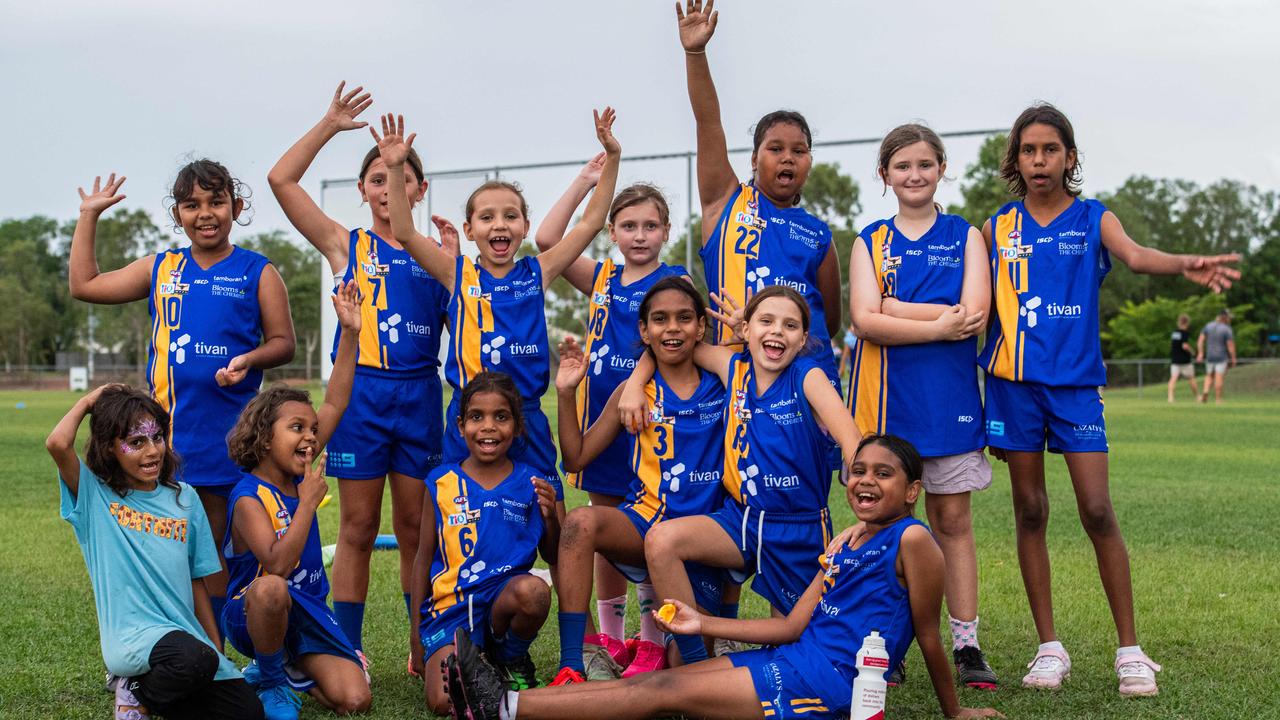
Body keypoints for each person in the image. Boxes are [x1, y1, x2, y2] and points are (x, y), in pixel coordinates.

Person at [443, 435, 1003, 720]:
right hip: (795, 656)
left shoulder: (912, 539)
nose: (866, 482)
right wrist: (701, 620)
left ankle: (504, 708)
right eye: (858, 471)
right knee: (655, 684)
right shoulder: (846, 541)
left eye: (884, 475)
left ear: (911, 491)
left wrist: (955, 713)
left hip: (828, 683)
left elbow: (927, 633)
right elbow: (792, 627)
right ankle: (502, 705)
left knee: (664, 691)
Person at [979, 103, 1239, 696]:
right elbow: (974, 303)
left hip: (1074, 390)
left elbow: (1140, 257)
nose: (1039, 160)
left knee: (1096, 509)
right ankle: (1049, 649)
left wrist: (1185, 264)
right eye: (1028, 150)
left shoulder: (1094, 219)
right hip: (1012, 388)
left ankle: (1131, 651)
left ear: (1070, 156)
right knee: (1031, 511)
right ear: (1015, 160)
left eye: (1050, 149)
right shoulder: (997, 228)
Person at [267, 81, 455, 664]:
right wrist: (328, 123)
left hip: (421, 396)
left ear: (419, 189)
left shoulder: (440, 255)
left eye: (399, 178)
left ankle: (421, 642)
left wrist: (456, 265)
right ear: (362, 189)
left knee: (416, 528)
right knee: (355, 525)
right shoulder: (343, 244)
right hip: (361, 395)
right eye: (377, 178)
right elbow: (281, 181)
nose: (388, 186)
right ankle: (346, 649)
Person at [69, 164, 296, 624]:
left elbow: (283, 343)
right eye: (192, 205)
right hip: (170, 438)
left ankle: (248, 646)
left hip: (238, 438)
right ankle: (193, 643)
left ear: (236, 206)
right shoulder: (162, 267)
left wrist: (248, 361)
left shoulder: (258, 270)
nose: (205, 214)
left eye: (215, 202)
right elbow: (84, 285)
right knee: (184, 549)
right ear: (178, 213)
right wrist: (89, 215)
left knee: (236, 547)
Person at [372, 107, 621, 493]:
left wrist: (612, 160)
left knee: (549, 515)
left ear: (523, 227)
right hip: (468, 415)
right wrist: (394, 166)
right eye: (487, 218)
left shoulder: (539, 271)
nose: (500, 224)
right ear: (470, 230)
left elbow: (589, 224)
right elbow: (404, 231)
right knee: (460, 508)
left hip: (526, 414)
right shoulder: (456, 272)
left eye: (510, 216)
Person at [621, 286, 859, 668]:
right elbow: (671, 346)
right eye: (766, 321)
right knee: (662, 540)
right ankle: (696, 663)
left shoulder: (808, 377)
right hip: (742, 521)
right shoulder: (733, 366)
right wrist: (635, 384)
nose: (777, 332)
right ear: (746, 329)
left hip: (797, 528)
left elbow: (854, 445)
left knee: (791, 653)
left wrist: (863, 518)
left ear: (803, 339)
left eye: (790, 325)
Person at [847, 124, 996, 689]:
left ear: (941, 169)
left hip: (950, 406)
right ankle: (892, 639)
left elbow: (974, 314)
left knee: (952, 524)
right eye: (902, 166)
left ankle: (965, 643)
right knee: (890, 529)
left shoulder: (966, 236)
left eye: (925, 165)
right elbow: (864, 320)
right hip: (886, 410)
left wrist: (896, 309)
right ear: (885, 175)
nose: (914, 175)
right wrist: (937, 320)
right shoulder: (871, 240)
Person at [534, 174, 688, 668]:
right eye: (627, 226)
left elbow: (666, 346)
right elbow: (545, 240)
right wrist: (585, 183)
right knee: (603, 530)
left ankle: (651, 637)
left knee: (646, 528)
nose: (639, 235)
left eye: (649, 225)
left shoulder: (674, 281)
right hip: (602, 422)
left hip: (649, 424)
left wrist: (638, 384)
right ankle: (611, 636)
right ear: (611, 232)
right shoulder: (600, 277)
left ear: (666, 231)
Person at [49, 384, 263, 720]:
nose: (152, 451)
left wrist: (215, 648)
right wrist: (91, 401)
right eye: (136, 442)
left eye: (157, 437)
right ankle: (133, 688)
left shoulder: (185, 498)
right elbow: (57, 444)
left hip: (184, 640)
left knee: (246, 711)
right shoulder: (95, 496)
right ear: (110, 448)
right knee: (194, 662)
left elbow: (196, 580)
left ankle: (157, 695)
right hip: (133, 639)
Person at [552, 278, 727, 683]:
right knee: (581, 522)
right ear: (644, 330)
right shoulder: (633, 392)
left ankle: (702, 652)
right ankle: (574, 662)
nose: (672, 328)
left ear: (701, 327)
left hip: (706, 532)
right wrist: (565, 393)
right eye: (660, 320)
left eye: (684, 318)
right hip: (646, 520)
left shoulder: (724, 380)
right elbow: (577, 456)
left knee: (688, 667)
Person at [221, 282, 370, 720]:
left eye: (311, 429)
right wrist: (306, 506)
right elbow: (277, 566)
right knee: (271, 588)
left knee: (356, 701)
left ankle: (289, 668)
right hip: (252, 611)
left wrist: (351, 333)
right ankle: (269, 678)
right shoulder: (249, 495)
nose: (309, 437)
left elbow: (338, 399)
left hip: (306, 612)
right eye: (296, 429)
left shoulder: (298, 473)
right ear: (265, 437)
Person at [675, 0, 841, 388]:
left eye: (799, 151)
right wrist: (695, 53)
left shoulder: (818, 234)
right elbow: (708, 122)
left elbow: (829, 322)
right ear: (753, 158)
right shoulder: (725, 202)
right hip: (735, 376)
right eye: (776, 149)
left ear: (809, 162)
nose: (788, 158)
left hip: (809, 380)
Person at [409, 371, 560, 715]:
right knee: (443, 701)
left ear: (518, 426)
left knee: (534, 591)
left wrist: (551, 518)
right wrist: (416, 637)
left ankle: (510, 658)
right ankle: (474, 660)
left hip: (502, 605)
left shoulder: (530, 482)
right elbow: (422, 558)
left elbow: (552, 555)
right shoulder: (440, 482)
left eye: (501, 417)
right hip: (451, 611)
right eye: (477, 417)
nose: (488, 427)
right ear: (461, 426)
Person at [1197, 309, 1236, 403]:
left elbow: (1200, 340)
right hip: (1221, 356)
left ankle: (1205, 392)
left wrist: (1200, 353)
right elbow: (1230, 345)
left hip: (1210, 356)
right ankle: (1218, 399)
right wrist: (1233, 358)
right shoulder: (1226, 329)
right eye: (1229, 318)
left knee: (1209, 375)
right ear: (1225, 318)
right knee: (1219, 377)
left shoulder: (1208, 326)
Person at [1167, 313, 1199, 403]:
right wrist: (1193, 352)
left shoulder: (1174, 333)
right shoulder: (1184, 333)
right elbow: (1185, 345)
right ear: (1187, 323)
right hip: (1185, 360)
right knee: (1191, 378)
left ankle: (1170, 397)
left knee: (1173, 378)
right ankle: (1197, 397)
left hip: (1175, 359)